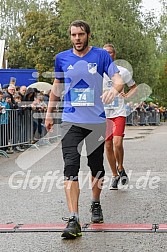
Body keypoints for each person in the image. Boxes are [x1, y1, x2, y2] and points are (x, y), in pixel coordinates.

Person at [45, 20, 124, 239]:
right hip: (71, 121)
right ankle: (73, 218)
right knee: (70, 165)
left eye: (81, 34)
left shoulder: (101, 56)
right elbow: (57, 87)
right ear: (70, 36)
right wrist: (50, 113)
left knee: (96, 166)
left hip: (96, 122)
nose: (77, 39)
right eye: (73, 35)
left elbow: (118, 80)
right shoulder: (62, 58)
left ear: (88, 35)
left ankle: (96, 203)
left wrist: (115, 90)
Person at [103, 43, 137, 189]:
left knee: (117, 143)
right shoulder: (97, 71)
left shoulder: (122, 71)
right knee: (108, 145)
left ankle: (121, 167)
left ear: (114, 55)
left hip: (118, 112)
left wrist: (128, 95)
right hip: (104, 113)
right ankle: (115, 175)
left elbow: (134, 87)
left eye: (110, 53)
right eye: (105, 53)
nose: (107, 55)